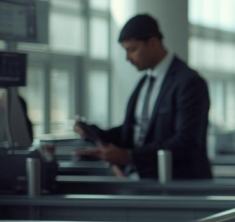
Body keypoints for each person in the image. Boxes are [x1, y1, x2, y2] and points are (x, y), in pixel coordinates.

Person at [75, 14, 213, 180]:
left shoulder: (189, 82)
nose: (128, 58)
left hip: (179, 185)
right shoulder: (145, 82)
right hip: (144, 181)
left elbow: (186, 142)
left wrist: (130, 156)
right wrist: (96, 134)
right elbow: (135, 130)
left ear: (153, 43)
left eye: (132, 49)